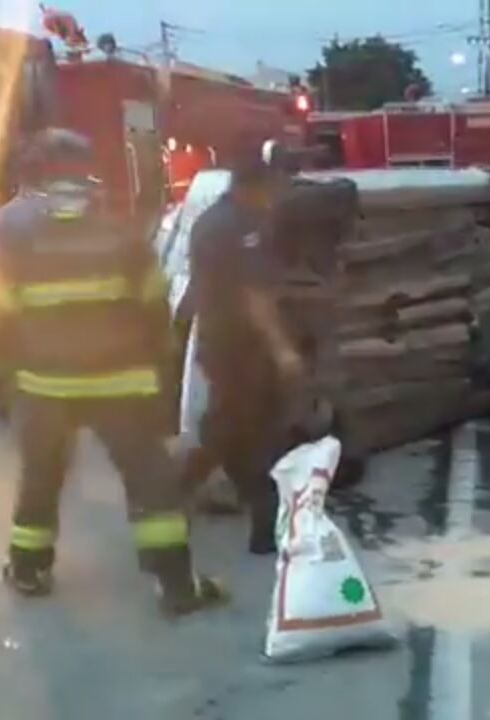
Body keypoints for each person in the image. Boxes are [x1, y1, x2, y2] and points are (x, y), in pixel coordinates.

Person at [0, 128, 227, 616]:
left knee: (40, 478)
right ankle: (177, 586)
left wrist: (3, 377)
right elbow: (155, 307)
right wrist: (159, 370)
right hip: (122, 385)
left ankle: (28, 571)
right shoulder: (121, 233)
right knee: (150, 482)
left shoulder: (11, 234)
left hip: (44, 385)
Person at [187, 138, 318, 555]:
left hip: (219, 341)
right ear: (254, 186)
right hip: (242, 347)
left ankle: (175, 486)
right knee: (260, 433)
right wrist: (282, 349)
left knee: (229, 426)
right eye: (271, 187)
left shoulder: (212, 220)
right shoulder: (240, 226)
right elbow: (253, 295)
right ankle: (265, 527)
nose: (275, 196)